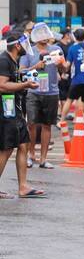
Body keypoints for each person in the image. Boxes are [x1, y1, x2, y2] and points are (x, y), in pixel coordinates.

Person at [0, 32, 45, 198]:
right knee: (6, 148)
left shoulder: (12, 61)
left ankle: (23, 187)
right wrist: (25, 84)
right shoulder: (4, 60)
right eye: (25, 43)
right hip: (6, 111)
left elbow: (15, 77)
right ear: (17, 45)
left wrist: (31, 71)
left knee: (24, 144)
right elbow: (2, 86)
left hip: (15, 110)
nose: (27, 47)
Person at [20, 22, 66, 169]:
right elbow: (21, 72)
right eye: (41, 34)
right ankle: (30, 155)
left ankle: (43, 159)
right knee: (31, 125)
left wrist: (60, 64)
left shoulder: (56, 49)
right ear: (35, 36)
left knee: (47, 125)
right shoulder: (29, 52)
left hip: (51, 92)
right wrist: (36, 67)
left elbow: (64, 70)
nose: (44, 37)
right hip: (33, 91)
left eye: (46, 34)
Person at [60, 28, 84, 123]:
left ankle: (61, 120)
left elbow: (67, 65)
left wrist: (60, 63)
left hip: (77, 80)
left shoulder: (72, 48)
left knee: (69, 100)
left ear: (75, 37)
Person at [56, 28, 73, 119]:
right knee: (62, 92)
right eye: (69, 34)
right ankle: (62, 112)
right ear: (66, 35)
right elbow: (59, 60)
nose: (70, 35)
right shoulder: (59, 46)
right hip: (61, 71)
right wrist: (62, 72)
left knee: (67, 92)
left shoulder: (70, 45)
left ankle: (64, 112)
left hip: (69, 72)